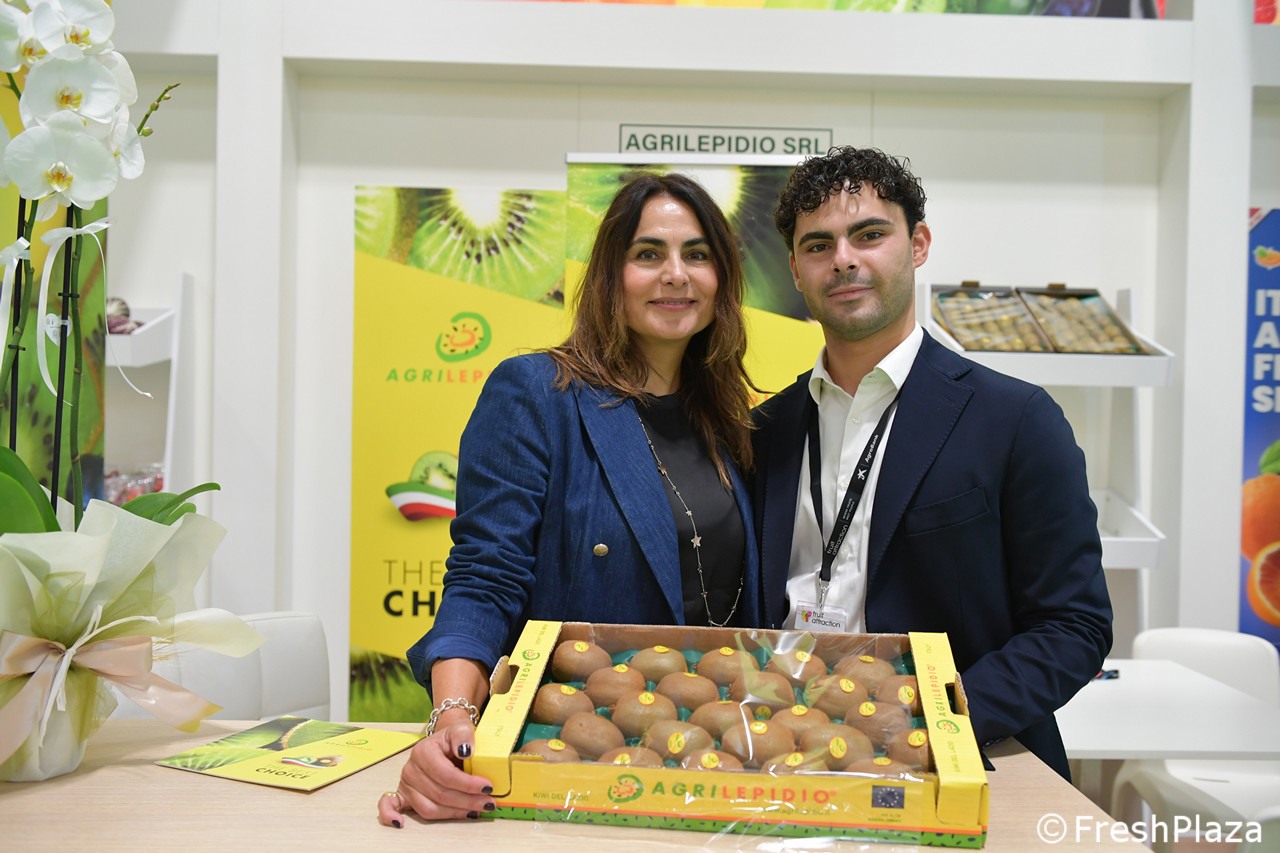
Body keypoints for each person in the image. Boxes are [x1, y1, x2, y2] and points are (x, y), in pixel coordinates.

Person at [379, 172, 763, 827]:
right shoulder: (537, 393)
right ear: (611, 275)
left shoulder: (729, 421)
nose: (676, 274)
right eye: (648, 253)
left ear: (722, 279)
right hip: (570, 765)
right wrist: (453, 715)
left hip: (715, 764)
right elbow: (485, 575)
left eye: (697, 254)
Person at [752, 146, 1112, 780]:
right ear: (796, 270)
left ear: (917, 245)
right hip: (780, 749)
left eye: (869, 235)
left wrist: (936, 718)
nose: (844, 259)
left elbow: (1073, 624)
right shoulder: (765, 430)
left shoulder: (1016, 420)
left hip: (954, 758)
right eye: (819, 245)